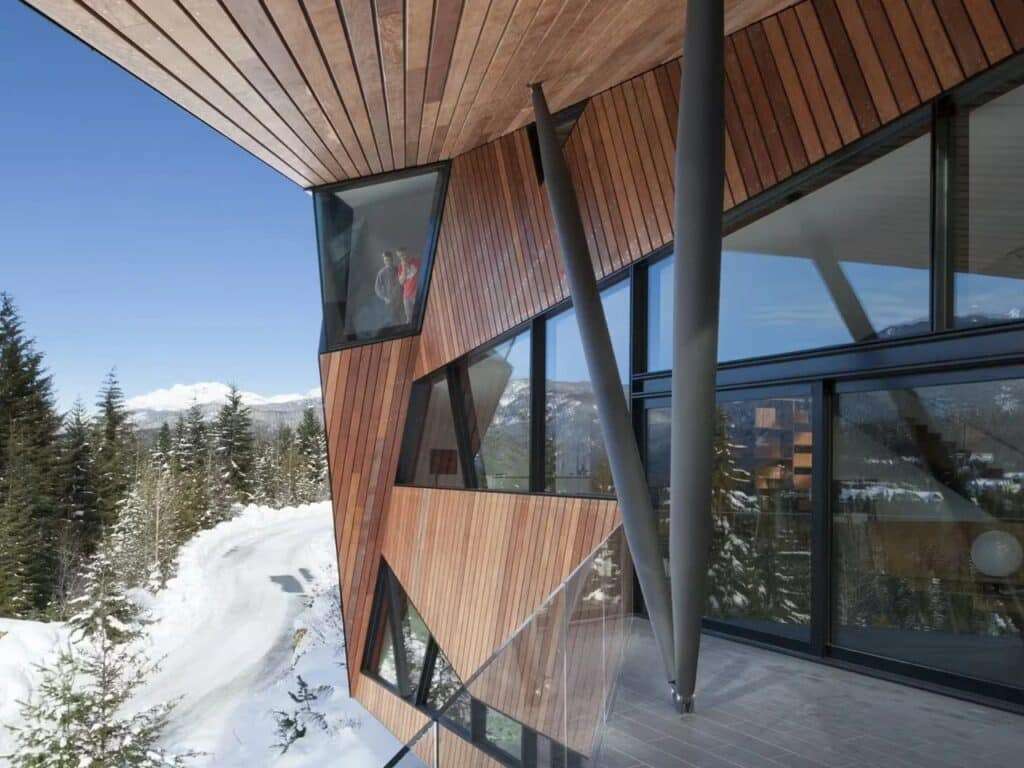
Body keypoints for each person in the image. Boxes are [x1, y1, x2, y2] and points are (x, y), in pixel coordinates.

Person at [374, 250, 404, 324]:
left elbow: (404, 282)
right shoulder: (381, 273)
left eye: (389, 259)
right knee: (394, 320)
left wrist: (403, 295)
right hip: (390, 301)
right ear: (384, 261)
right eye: (386, 260)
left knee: (403, 318)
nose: (388, 261)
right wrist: (385, 298)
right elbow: (377, 288)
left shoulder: (398, 269)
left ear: (392, 259)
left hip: (400, 299)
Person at [396, 248, 421, 322]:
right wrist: (404, 268)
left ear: (407, 253)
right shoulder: (400, 267)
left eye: (403, 254)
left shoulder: (415, 261)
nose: (402, 257)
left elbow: (415, 273)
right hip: (406, 296)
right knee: (409, 319)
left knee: (419, 316)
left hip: (416, 293)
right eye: (400, 256)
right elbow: (401, 282)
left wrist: (407, 265)